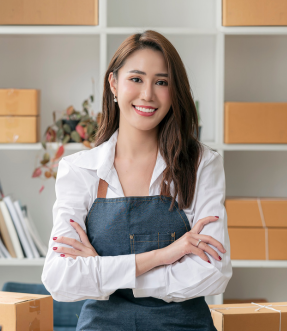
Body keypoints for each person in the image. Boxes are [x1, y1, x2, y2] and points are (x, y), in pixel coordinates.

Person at [41, 30, 232, 331]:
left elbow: (213, 272)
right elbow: (59, 279)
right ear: (114, 84)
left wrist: (104, 272)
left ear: (174, 91)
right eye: (136, 79)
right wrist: (165, 256)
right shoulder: (80, 170)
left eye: (161, 82)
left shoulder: (200, 164)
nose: (148, 95)